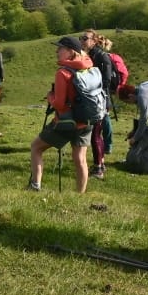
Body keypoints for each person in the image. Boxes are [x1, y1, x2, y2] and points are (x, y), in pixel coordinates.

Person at [27, 36, 97, 194]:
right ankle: (80, 194)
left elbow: (59, 104)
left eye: (60, 48)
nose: (57, 51)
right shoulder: (89, 65)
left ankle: (35, 185)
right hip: (86, 120)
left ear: (70, 51)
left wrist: (50, 96)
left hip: (66, 121)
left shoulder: (63, 73)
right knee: (80, 158)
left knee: (36, 147)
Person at [79, 30, 117, 179]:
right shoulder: (89, 55)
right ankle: (100, 163)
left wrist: (92, 90)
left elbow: (106, 81)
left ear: (94, 41)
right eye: (81, 38)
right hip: (93, 99)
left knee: (95, 133)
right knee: (96, 133)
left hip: (100, 99)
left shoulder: (102, 56)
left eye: (85, 38)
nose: (82, 41)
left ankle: (98, 168)